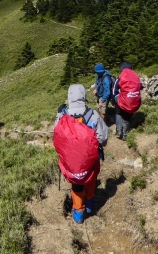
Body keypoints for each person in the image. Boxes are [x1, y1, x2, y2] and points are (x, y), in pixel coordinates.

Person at [54, 84, 108, 224]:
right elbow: (102, 139)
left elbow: (56, 135)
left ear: (69, 97)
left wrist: (58, 114)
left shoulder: (62, 116)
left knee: (76, 184)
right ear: (84, 97)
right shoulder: (93, 114)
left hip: (71, 161)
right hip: (90, 160)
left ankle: (78, 214)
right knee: (90, 179)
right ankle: (89, 206)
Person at [112, 62, 142, 141]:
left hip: (124, 101)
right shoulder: (136, 76)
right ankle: (125, 135)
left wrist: (114, 99)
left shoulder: (121, 76)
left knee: (118, 112)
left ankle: (119, 131)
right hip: (134, 101)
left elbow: (115, 89)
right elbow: (140, 87)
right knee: (127, 117)